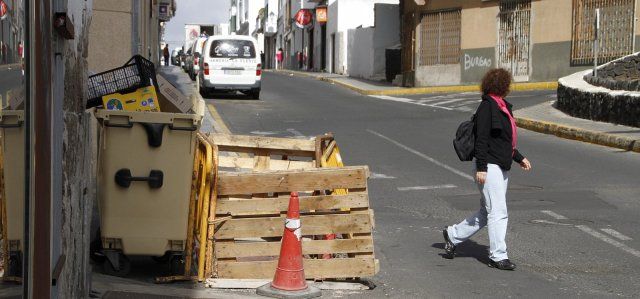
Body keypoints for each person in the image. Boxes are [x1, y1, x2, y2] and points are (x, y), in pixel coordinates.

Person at [442, 68, 532, 271]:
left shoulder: (503, 106)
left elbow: (503, 141)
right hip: (489, 167)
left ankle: (453, 234)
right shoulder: (487, 107)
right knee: (498, 212)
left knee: (486, 212)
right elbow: (482, 140)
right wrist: (481, 168)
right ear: (503, 85)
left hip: (500, 165)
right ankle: (498, 256)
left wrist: (519, 158)